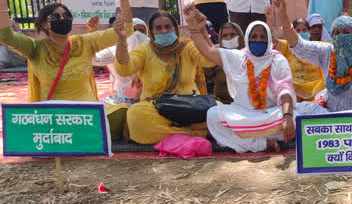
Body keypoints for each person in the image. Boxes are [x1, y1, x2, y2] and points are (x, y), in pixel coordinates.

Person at [0, 0, 133, 102]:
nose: (63, 18)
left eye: (66, 15)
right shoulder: (35, 48)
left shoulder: (85, 42)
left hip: (87, 117)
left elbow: (126, 29)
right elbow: (5, 36)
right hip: (53, 118)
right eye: (56, 17)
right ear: (44, 24)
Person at [183, 5, 297, 153]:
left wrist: (287, 116)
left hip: (270, 114)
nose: (259, 40)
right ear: (247, 38)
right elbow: (208, 51)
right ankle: (261, 143)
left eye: (263, 37)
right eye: (254, 37)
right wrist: (193, 27)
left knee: (296, 116)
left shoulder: (277, 59)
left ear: (268, 39)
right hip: (242, 115)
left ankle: (249, 140)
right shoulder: (238, 57)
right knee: (212, 116)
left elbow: (285, 89)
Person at [114, 10, 213, 144]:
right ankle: (194, 134)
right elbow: (124, 69)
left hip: (190, 107)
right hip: (156, 108)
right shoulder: (145, 49)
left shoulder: (187, 46)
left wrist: (201, 30)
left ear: (175, 29)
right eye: (158, 28)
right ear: (152, 32)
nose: (164, 31)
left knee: (218, 112)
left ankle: (174, 135)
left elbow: (209, 60)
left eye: (168, 26)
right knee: (136, 114)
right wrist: (121, 39)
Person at [275, 0, 352, 112]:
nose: (341, 36)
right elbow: (299, 46)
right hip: (331, 117)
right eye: (337, 33)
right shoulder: (327, 52)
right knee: (301, 111)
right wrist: (282, 15)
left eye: (345, 32)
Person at [93, 17, 149, 105]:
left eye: (141, 31)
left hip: (147, 100)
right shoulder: (116, 50)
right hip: (122, 99)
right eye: (133, 30)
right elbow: (95, 59)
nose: (137, 34)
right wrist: (93, 35)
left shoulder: (152, 51)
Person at [273, 18, 327, 102]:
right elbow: (272, 42)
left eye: (304, 30)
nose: (301, 33)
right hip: (293, 92)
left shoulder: (318, 46)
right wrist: (269, 22)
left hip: (316, 92)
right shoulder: (287, 46)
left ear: (309, 31)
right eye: (297, 30)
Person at [205, 22, 245, 104]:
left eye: (232, 34)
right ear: (220, 38)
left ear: (240, 36)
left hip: (245, 104)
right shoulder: (216, 53)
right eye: (225, 36)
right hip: (221, 103)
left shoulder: (248, 54)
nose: (229, 38)